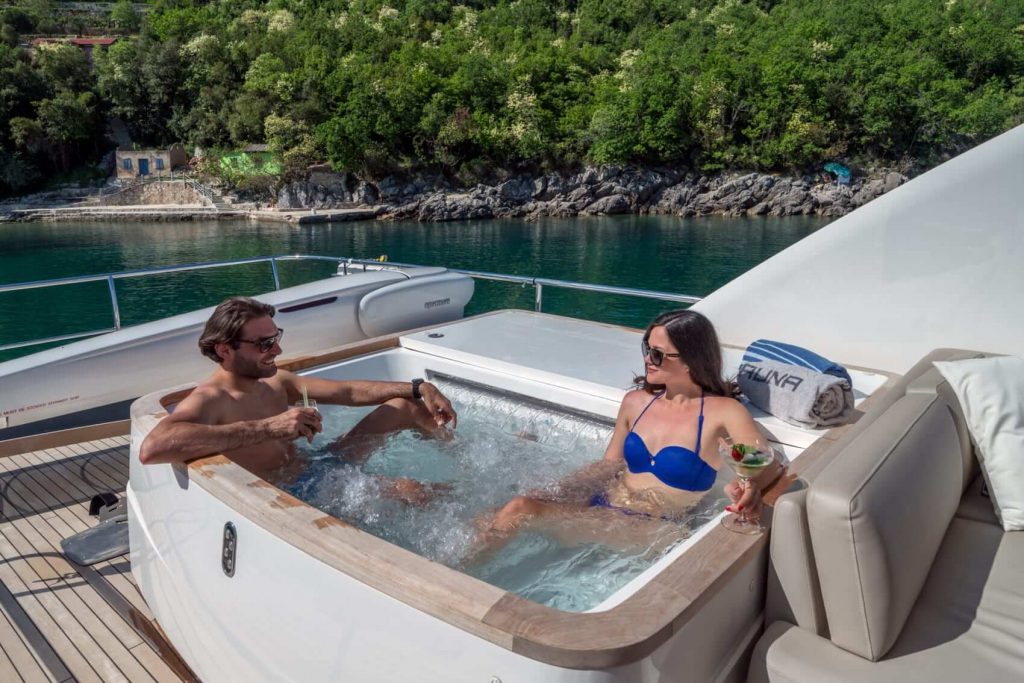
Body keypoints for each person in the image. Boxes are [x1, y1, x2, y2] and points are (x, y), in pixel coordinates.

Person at [486, 309, 784, 539]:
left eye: (657, 354)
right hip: (603, 505)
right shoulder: (636, 403)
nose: (647, 359)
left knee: (519, 508)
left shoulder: (723, 412)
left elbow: (763, 463)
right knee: (491, 516)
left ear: (691, 361)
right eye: (647, 348)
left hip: (653, 527)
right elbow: (608, 464)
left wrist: (751, 486)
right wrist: (559, 489)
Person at [139, 296, 457, 502]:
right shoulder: (211, 399)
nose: (277, 351)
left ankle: (461, 459)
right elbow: (153, 448)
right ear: (225, 349)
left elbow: (346, 392)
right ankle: (482, 527)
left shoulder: (276, 381)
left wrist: (417, 387)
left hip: (317, 465)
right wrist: (270, 427)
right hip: (290, 497)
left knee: (405, 405)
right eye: (264, 343)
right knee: (411, 491)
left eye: (276, 338)